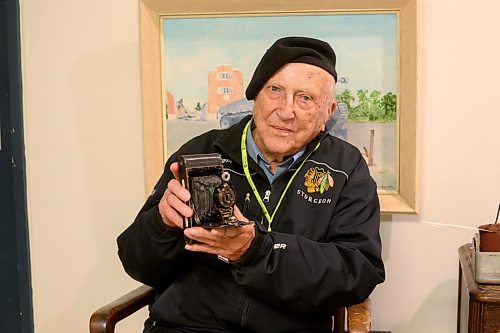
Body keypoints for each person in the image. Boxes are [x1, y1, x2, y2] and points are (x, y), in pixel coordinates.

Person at [118, 36, 385, 333]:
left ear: (328, 112)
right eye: (274, 91)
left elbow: (357, 272)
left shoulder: (346, 168)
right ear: (255, 97)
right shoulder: (201, 152)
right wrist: (162, 224)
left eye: (305, 98)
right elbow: (136, 262)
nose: (286, 111)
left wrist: (257, 251)